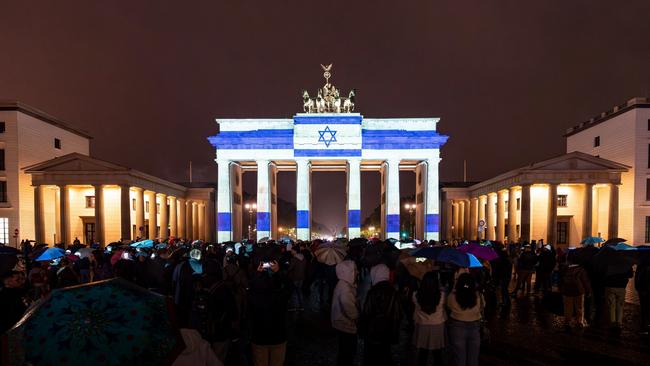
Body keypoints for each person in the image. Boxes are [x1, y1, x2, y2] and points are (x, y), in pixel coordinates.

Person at [248, 260, 292, 366]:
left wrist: (258, 273)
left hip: (259, 337)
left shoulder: (253, 297)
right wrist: (278, 272)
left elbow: (250, 286)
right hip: (278, 336)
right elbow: (290, 287)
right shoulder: (280, 296)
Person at [359, 263, 402, 366]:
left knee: (372, 357)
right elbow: (397, 314)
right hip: (387, 332)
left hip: (373, 332)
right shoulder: (393, 291)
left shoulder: (373, 291)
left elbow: (367, 313)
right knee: (385, 355)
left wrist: (362, 330)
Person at [447, 273, 483, 366]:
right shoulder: (478, 296)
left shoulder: (452, 296)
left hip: (457, 326)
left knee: (459, 358)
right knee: (473, 358)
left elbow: (449, 306)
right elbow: (482, 307)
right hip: (474, 327)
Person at [412, 271, 446, 366]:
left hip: (422, 325)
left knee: (423, 353)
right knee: (438, 354)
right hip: (437, 325)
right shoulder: (442, 295)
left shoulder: (416, 295)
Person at [331, 260, 359, 366]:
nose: (357, 272)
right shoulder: (345, 288)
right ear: (348, 272)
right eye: (354, 270)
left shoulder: (343, 283)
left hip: (341, 322)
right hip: (345, 324)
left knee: (344, 350)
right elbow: (350, 310)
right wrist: (357, 317)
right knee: (347, 351)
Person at [559, 257, 592, 329]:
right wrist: (588, 291)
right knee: (579, 307)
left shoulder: (564, 269)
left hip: (567, 291)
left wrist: (561, 289)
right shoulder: (581, 270)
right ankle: (579, 322)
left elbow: (561, 280)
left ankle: (567, 322)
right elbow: (585, 281)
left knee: (567, 308)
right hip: (579, 291)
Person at [604, 267, 633, 332]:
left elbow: (603, 273)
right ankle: (619, 323)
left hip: (610, 286)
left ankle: (612, 323)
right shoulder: (626, 263)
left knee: (611, 305)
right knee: (620, 305)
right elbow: (631, 275)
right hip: (621, 286)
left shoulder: (608, 262)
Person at [287, 245, 307, 311]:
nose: (291, 251)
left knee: (294, 292)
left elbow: (290, 268)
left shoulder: (294, 259)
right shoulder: (303, 258)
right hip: (302, 277)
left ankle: (294, 307)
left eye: (292, 250)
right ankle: (301, 306)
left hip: (295, 277)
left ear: (295, 251)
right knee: (299, 291)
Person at [635, 256, 650, 335]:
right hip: (644, 290)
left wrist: (638, 288)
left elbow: (637, 278)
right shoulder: (642, 266)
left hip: (644, 291)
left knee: (644, 309)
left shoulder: (641, 265)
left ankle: (644, 327)